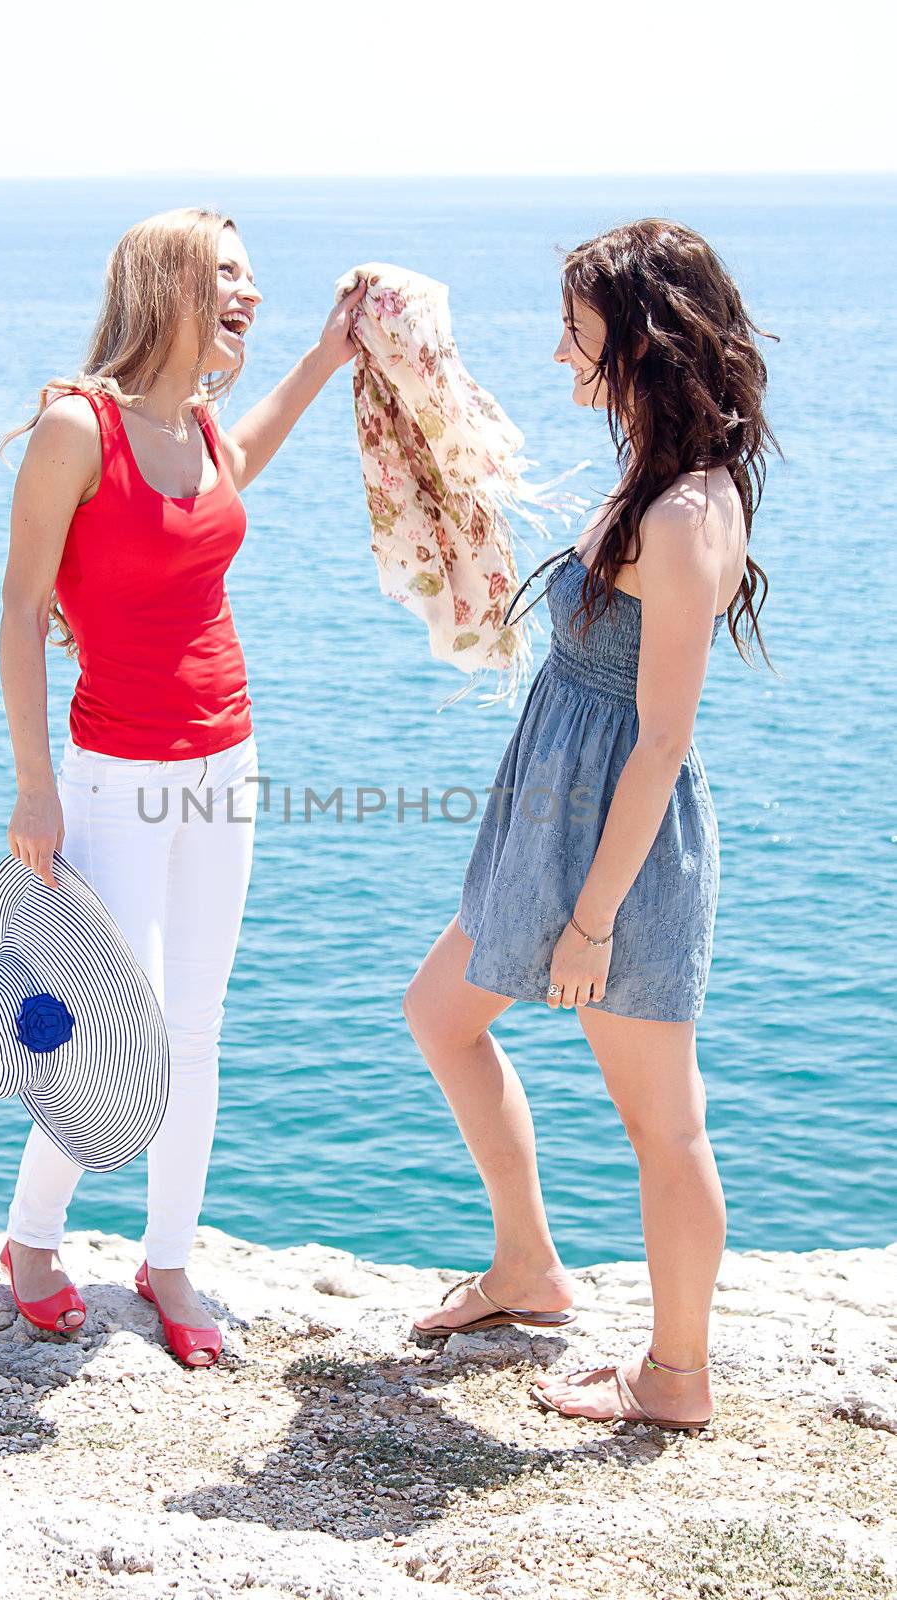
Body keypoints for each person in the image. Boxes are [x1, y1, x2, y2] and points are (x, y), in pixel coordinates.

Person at [406, 219, 779, 1430]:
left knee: (660, 1120)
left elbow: (662, 737)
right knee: (439, 1013)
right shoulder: (652, 473)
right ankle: (526, 1267)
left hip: (617, 842)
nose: (559, 348)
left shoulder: (681, 512)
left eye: (575, 326)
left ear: (640, 337)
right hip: (552, 810)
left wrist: (590, 921)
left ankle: (675, 1376)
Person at [0, 206, 365, 1364]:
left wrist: (321, 355)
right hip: (111, 771)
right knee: (122, 1022)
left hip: (226, 759)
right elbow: (18, 608)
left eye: (253, 278)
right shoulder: (75, 427)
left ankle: (167, 1261)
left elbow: (238, 460)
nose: (246, 294)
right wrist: (34, 785)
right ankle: (33, 1237)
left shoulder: (199, 425)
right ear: (167, 284)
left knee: (195, 1028)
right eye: (227, 276)